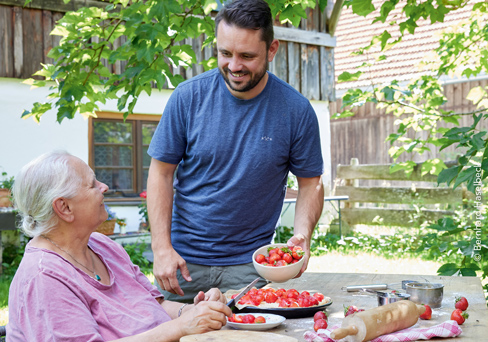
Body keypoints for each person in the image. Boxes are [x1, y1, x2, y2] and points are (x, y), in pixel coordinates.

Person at [147, 0, 324, 302]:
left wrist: (303, 237)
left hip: (252, 268)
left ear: (271, 50)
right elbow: (160, 173)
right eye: (225, 53)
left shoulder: (296, 110)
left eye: (247, 56)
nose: (234, 66)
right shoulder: (187, 98)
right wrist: (161, 248)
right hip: (182, 266)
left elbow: (311, 183)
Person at [7, 151, 231, 342]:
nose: (104, 187)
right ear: (64, 207)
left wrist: (195, 311)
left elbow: (156, 305)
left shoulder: (101, 245)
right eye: (92, 184)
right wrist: (180, 327)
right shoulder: (43, 277)